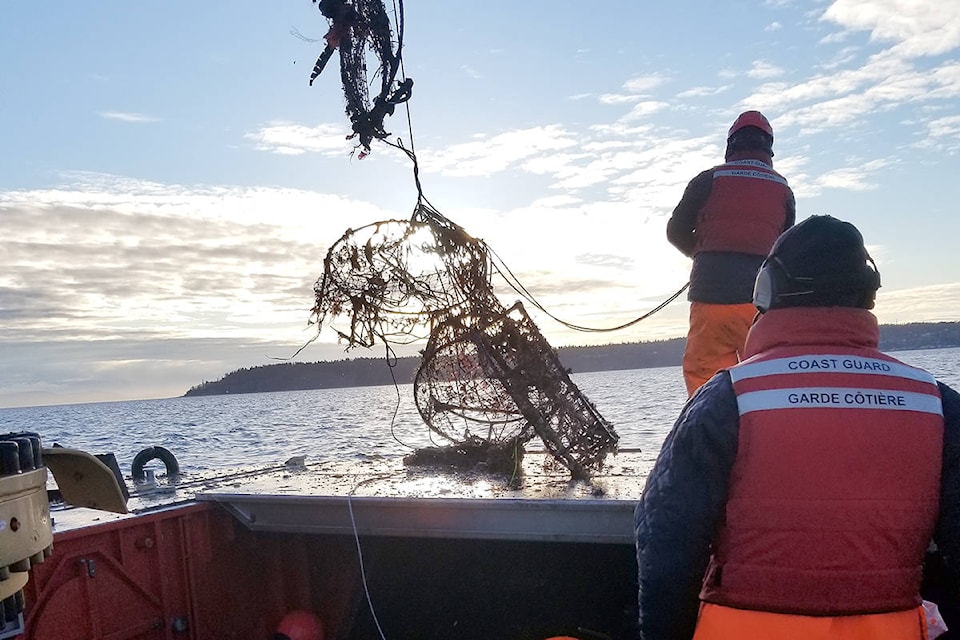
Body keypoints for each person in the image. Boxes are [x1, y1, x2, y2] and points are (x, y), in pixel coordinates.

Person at [635, 215, 960, 640]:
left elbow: (664, 540)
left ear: (767, 290)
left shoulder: (728, 396)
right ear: (868, 294)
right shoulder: (935, 402)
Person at [667, 110, 796, 396]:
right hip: (758, 304)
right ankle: (763, 432)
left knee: (705, 381)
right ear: (768, 147)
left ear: (731, 144)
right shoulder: (781, 188)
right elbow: (786, 249)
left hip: (709, 297)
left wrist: (704, 256)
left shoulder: (707, 180)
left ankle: (709, 434)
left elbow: (675, 231)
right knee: (763, 377)